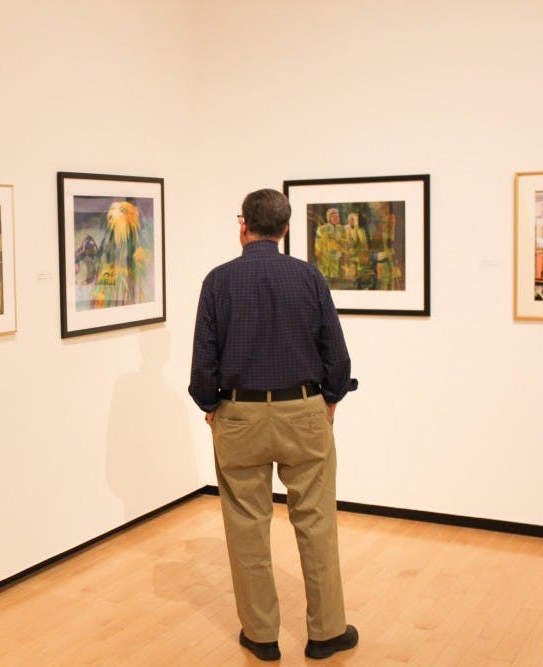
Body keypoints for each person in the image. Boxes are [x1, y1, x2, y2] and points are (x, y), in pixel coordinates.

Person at [188, 188, 359, 661]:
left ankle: (261, 635)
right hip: (303, 412)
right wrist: (330, 398)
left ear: (243, 225)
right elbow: (336, 353)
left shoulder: (218, 281)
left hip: (239, 415)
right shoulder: (309, 277)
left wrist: (210, 405)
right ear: (285, 229)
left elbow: (204, 360)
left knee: (246, 526)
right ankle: (326, 632)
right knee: (317, 522)